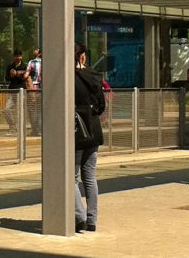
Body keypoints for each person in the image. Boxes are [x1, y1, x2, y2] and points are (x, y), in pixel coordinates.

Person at [74, 42, 105, 233]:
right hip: (93, 130)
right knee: (90, 176)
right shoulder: (94, 76)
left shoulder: (68, 78)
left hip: (76, 130)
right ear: (83, 56)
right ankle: (92, 220)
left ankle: (80, 216)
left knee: (71, 177)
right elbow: (101, 106)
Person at [4, 49, 30, 131]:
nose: (17, 57)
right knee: (6, 109)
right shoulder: (10, 66)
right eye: (16, 56)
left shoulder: (25, 66)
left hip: (21, 91)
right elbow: (6, 78)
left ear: (21, 57)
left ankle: (21, 128)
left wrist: (16, 74)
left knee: (20, 111)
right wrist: (11, 76)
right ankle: (12, 126)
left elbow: (25, 77)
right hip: (12, 91)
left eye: (19, 56)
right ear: (13, 57)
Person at [26, 47, 43, 135]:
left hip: (33, 88)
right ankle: (39, 130)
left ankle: (34, 130)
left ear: (39, 53)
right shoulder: (47, 62)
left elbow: (26, 75)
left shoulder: (32, 62)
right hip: (42, 89)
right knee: (40, 110)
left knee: (32, 109)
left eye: (36, 49)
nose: (34, 50)